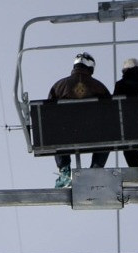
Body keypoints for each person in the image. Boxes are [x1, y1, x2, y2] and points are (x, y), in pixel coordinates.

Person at [47, 52, 110, 187]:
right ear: (91, 68)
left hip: (66, 135)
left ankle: (64, 170)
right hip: (94, 135)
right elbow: (112, 113)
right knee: (108, 130)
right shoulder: (99, 87)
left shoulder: (58, 86)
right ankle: (96, 168)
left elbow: (47, 115)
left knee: (54, 129)